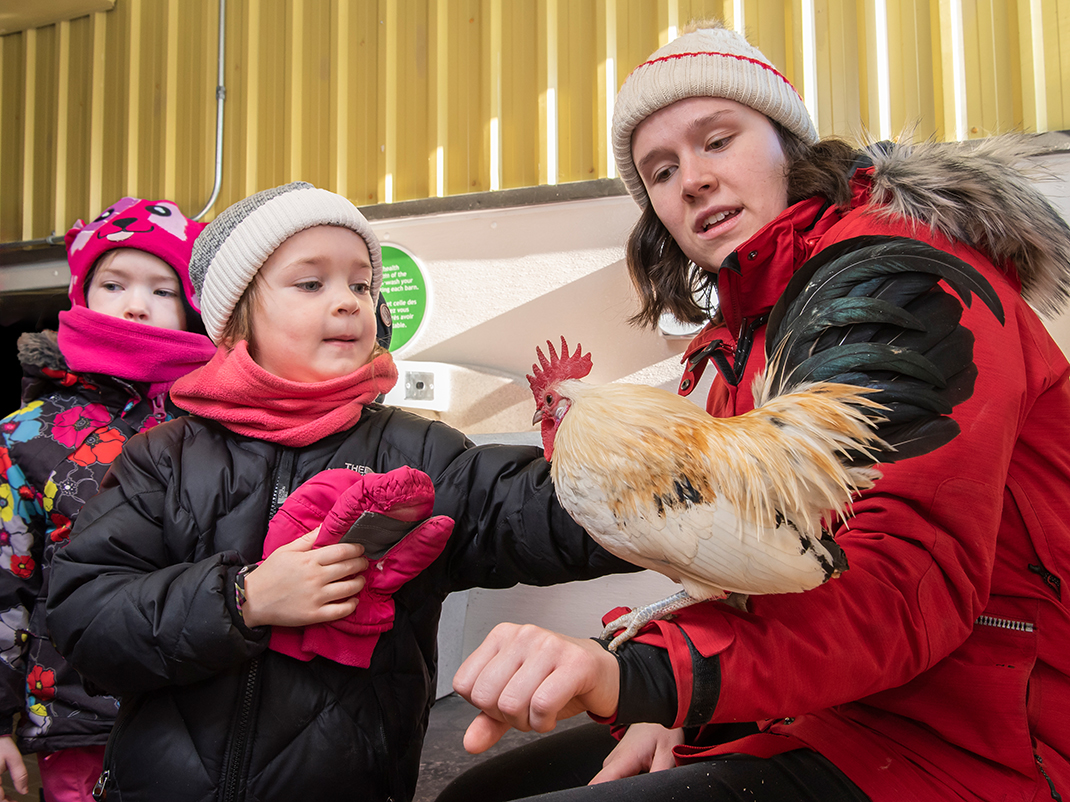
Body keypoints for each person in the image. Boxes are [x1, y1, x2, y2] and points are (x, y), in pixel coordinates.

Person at [445, 19, 1070, 802]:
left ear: (788, 146)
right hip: (833, 702)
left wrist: (646, 674)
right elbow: (767, 577)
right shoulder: (743, 338)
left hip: (986, 738)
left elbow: (900, 589)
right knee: (482, 791)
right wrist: (672, 705)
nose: (693, 181)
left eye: (718, 140)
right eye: (662, 170)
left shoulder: (903, 282)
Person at [43, 181, 636, 802]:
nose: (350, 303)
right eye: (311, 283)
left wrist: (673, 487)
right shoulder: (163, 456)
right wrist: (243, 597)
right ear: (238, 313)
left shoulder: (422, 451)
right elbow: (86, 618)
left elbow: (533, 513)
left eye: (360, 284)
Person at [0, 198, 215, 801]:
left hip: (208, 699)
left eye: (162, 289)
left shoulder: (225, 419)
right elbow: (5, 577)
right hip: (79, 716)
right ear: (81, 294)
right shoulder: (27, 434)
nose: (135, 303)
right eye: (112, 283)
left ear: (194, 308)